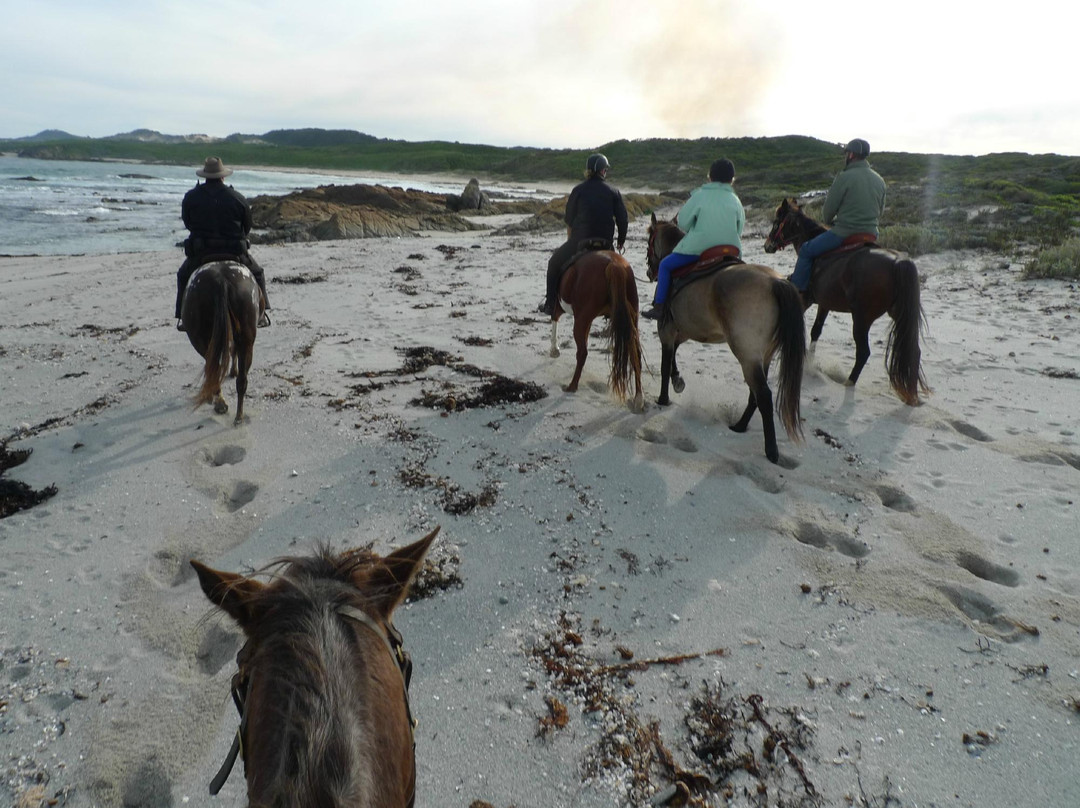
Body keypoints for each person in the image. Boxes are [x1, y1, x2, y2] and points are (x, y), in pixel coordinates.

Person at [641, 158, 744, 320]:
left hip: (701, 249)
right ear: (732, 179)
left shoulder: (700, 195)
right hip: (731, 250)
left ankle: (659, 307)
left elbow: (683, 223)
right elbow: (740, 228)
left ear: (710, 176)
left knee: (665, 265)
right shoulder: (736, 200)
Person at [174, 157, 270, 331]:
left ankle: (181, 317)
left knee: (183, 275)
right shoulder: (237, 197)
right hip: (234, 252)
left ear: (205, 176)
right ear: (223, 177)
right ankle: (263, 314)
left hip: (202, 252)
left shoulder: (191, 197)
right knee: (257, 273)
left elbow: (187, 223)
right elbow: (246, 227)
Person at [787, 138, 886, 293]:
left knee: (806, 250)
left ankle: (797, 291)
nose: (845, 157)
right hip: (871, 234)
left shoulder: (844, 177)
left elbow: (828, 212)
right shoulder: (880, 180)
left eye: (846, 153)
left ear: (852, 155)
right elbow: (880, 212)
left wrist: (831, 221)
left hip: (844, 233)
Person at [538, 153, 628, 316]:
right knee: (619, 272)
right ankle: (616, 306)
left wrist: (571, 239)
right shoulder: (614, 191)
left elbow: (570, 220)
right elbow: (623, 220)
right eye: (605, 170)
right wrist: (621, 241)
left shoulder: (578, 190)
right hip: (606, 243)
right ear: (602, 171)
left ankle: (550, 303)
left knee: (553, 263)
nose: (605, 172)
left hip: (580, 241)